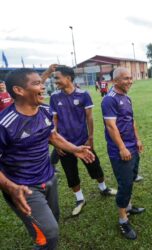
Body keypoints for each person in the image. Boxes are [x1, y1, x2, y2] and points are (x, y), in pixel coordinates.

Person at [0, 68, 94, 249]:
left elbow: (53, 136)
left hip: (48, 178)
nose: (43, 87)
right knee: (49, 234)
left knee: (53, 220)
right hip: (23, 188)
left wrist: (75, 149)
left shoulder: (44, 109)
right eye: (36, 83)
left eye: (42, 83)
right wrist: (10, 187)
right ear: (19, 90)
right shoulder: (5, 124)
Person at [42, 65, 117, 216]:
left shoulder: (84, 94)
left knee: (95, 166)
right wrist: (57, 142)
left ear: (68, 78)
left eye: (57, 78)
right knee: (71, 173)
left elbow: (89, 117)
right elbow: (54, 119)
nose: (55, 81)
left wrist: (90, 138)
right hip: (64, 144)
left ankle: (103, 188)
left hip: (83, 141)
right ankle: (80, 199)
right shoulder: (55, 97)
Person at [101, 67, 145, 240]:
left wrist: (137, 139)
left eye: (131, 78)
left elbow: (131, 120)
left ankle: (128, 206)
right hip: (120, 150)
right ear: (116, 81)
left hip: (132, 146)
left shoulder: (126, 98)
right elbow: (111, 126)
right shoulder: (109, 100)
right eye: (126, 78)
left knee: (131, 177)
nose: (130, 81)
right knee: (125, 183)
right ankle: (122, 220)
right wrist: (122, 147)